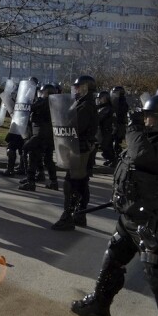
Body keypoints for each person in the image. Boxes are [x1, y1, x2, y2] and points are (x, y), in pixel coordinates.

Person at [71, 94, 158, 316]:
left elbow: (142, 156)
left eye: (153, 119)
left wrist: (133, 126)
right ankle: (99, 304)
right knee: (113, 258)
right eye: (146, 118)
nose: (148, 123)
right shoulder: (149, 139)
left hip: (157, 224)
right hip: (131, 217)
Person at [51, 75, 98, 230]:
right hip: (81, 147)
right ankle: (79, 214)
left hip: (80, 148)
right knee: (81, 182)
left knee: (72, 183)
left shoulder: (85, 106)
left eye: (78, 87)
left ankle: (68, 217)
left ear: (86, 88)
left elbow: (77, 126)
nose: (76, 90)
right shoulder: (83, 103)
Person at [19, 83, 58, 191]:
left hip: (39, 134)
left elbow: (30, 108)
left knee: (29, 152)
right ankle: (54, 182)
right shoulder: (56, 103)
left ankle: (30, 181)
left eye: (42, 92)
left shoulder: (42, 101)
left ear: (45, 93)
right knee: (48, 159)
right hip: (50, 135)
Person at [92, 90, 116, 167]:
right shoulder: (103, 107)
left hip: (106, 130)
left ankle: (112, 160)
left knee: (105, 146)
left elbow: (99, 118)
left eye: (100, 98)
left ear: (105, 98)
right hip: (103, 130)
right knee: (105, 146)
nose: (99, 100)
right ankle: (110, 160)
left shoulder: (107, 108)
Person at [111, 86, 129, 159]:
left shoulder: (122, 102)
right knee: (114, 141)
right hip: (116, 123)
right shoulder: (116, 101)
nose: (114, 94)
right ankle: (114, 158)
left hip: (120, 124)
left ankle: (117, 158)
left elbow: (120, 113)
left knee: (117, 142)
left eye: (116, 93)